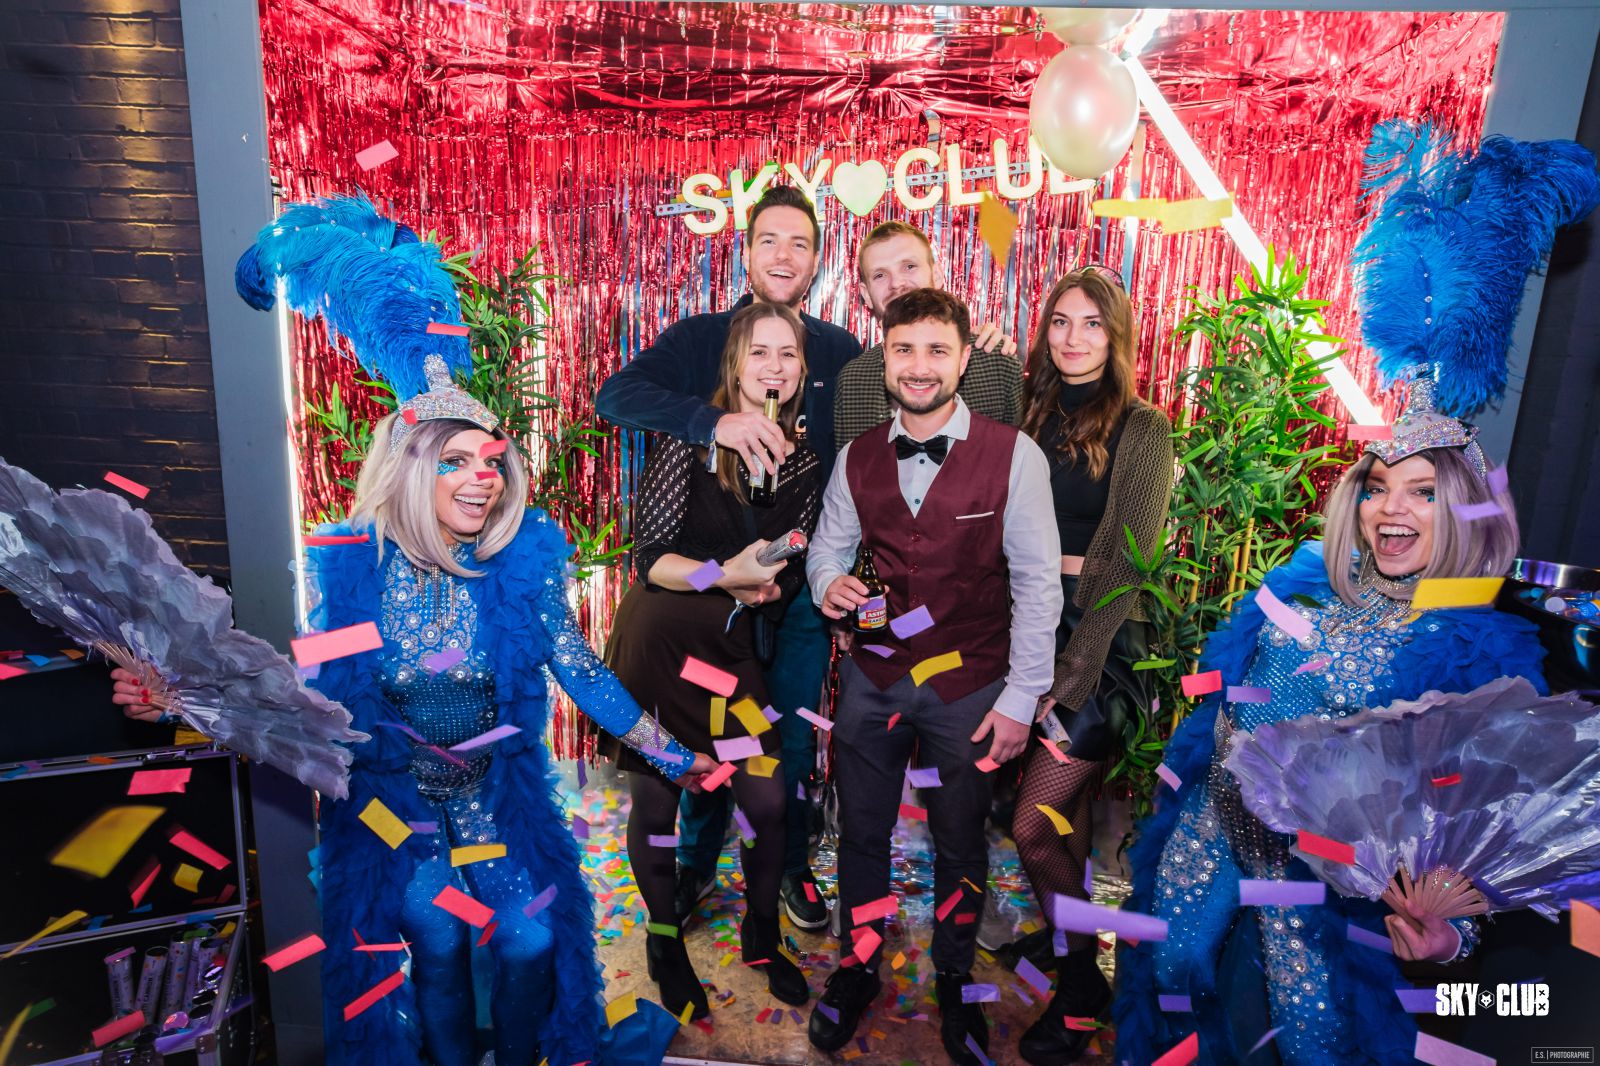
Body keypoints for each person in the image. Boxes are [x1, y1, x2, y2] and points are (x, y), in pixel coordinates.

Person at [118, 362, 715, 1066]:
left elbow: (581, 671)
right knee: (438, 935)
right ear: (409, 469)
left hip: (491, 795)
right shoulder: (355, 573)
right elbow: (301, 689)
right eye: (454, 462)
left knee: (532, 938)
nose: (481, 478)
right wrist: (178, 702)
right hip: (393, 804)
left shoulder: (520, 570)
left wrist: (675, 754)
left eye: (491, 462)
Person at [1111, 376, 1548, 1065]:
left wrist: (1450, 938)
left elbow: (1480, 824)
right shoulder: (1307, 584)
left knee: (1312, 1040)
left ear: (1467, 510)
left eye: (1424, 493)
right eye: (1377, 487)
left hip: (1317, 884)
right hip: (1211, 827)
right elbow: (1227, 701)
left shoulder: (1469, 654)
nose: (1391, 507)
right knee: (1169, 977)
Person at [804, 288, 1063, 1065]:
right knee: (861, 833)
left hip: (973, 685)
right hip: (875, 676)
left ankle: (953, 977)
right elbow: (827, 548)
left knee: (960, 842)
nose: (919, 366)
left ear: (963, 360)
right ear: (885, 358)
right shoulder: (857, 456)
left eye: (937, 350)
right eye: (905, 349)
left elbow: (1038, 584)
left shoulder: (1015, 455)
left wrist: (1021, 698)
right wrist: (828, 582)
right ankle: (858, 966)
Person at [595, 184, 859, 931]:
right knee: (708, 731)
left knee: (788, 735)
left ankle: (791, 866)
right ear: (744, 252)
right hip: (705, 595)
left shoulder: (840, 350)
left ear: (816, 260)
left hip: (800, 590)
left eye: (800, 243)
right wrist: (714, 423)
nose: (784, 255)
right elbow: (615, 397)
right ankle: (695, 864)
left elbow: (894, 421)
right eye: (769, 239)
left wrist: (982, 357)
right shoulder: (699, 338)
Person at [604, 302, 820, 1018]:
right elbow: (651, 561)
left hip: (729, 648)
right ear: (735, 363)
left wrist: (772, 582)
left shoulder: (806, 460)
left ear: (802, 370)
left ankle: (762, 935)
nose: (774, 367)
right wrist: (723, 575)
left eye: (788, 354)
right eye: (759, 352)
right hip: (663, 640)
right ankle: (664, 941)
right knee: (659, 803)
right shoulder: (694, 439)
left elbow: (791, 562)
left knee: (766, 798)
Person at [1007, 268, 1174, 1065]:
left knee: (1034, 824)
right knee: (1063, 818)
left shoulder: (1144, 428)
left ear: (1118, 336)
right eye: (1060, 322)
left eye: (1092, 324)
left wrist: (1070, 673)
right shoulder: (1027, 412)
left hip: (1100, 644)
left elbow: (1129, 565)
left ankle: (1083, 985)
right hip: (1025, 630)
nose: (1074, 338)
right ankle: (1063, 935)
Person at [832, 220, 1023, 450]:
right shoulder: (852, 381)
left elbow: (1019, 460)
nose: (897, 283)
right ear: (866, 295)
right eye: (880, 275)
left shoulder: (997, 365)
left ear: (937, 275)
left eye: (909, 266)